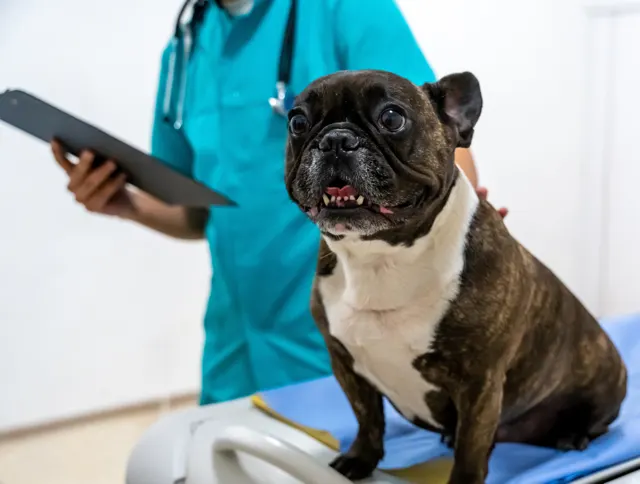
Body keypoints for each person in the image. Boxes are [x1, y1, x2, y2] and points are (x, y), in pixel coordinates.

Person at [51, 0, 503, 405]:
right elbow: (195, 215)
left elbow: (436, 140)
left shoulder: (346, 9)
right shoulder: (184, 52)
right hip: (232, 353)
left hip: (355, 344)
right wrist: (124, 203)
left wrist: (460, 227)